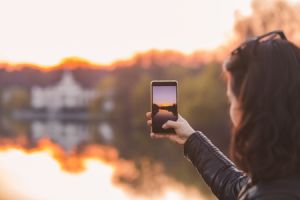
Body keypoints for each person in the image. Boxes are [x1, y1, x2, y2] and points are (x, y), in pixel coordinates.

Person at [146, 30, 300, 200]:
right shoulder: (283, 172)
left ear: (251, 107)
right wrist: (191, 139)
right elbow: (239, 189)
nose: (231, 111)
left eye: (231, 101)